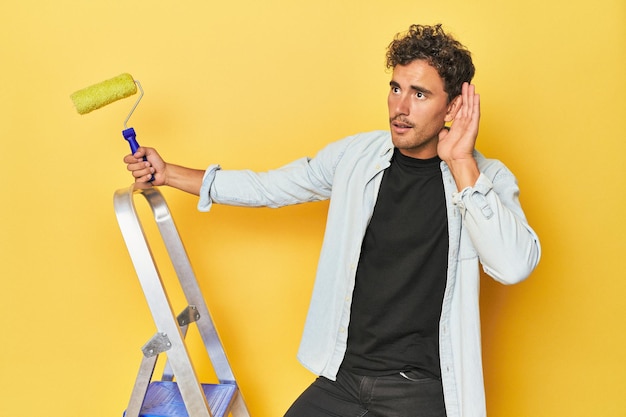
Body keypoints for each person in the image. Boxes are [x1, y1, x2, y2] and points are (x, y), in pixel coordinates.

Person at [124, 24, 541, 417]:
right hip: (343, 378)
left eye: (419, 95)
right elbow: (270, 187)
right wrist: (169, 174)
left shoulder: (486, 178)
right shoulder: (358, 157)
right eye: (395, 89)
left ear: (452, 106)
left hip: (420, 390)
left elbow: (514, 265)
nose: (399, 107)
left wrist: (462, 161)